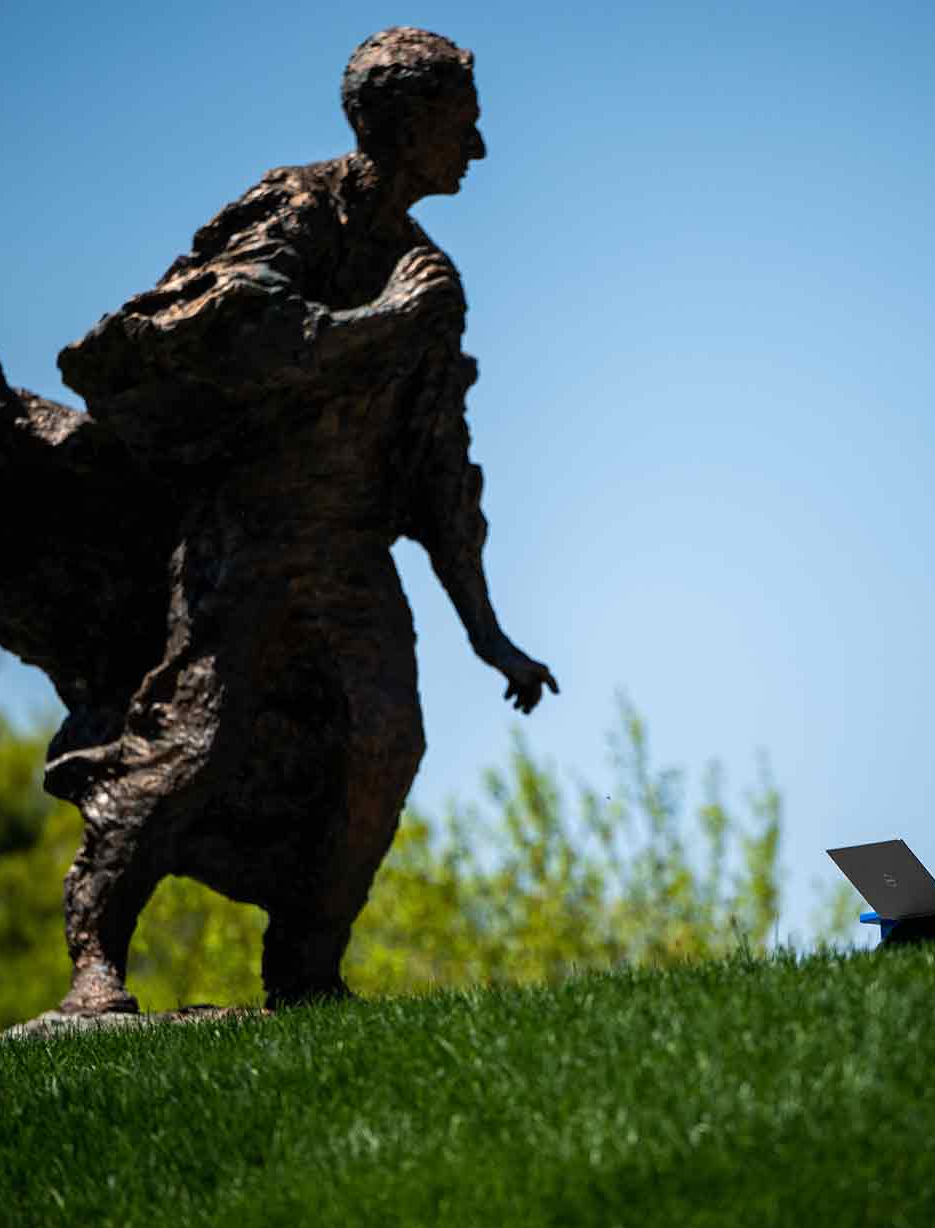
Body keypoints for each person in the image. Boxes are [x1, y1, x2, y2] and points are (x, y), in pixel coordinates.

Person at [42, 26, 557, 1013]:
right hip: (243, 540)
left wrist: (490, 635)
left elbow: (439, 465)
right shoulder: (297, 210)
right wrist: (382, 326)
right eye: (464, 125)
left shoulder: (431, 278)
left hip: (351, 553)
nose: (479, 150)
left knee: (386, 742)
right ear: (407, 125)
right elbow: (238, 331)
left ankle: (306, 967)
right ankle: (96, 963)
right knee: (188, 744)